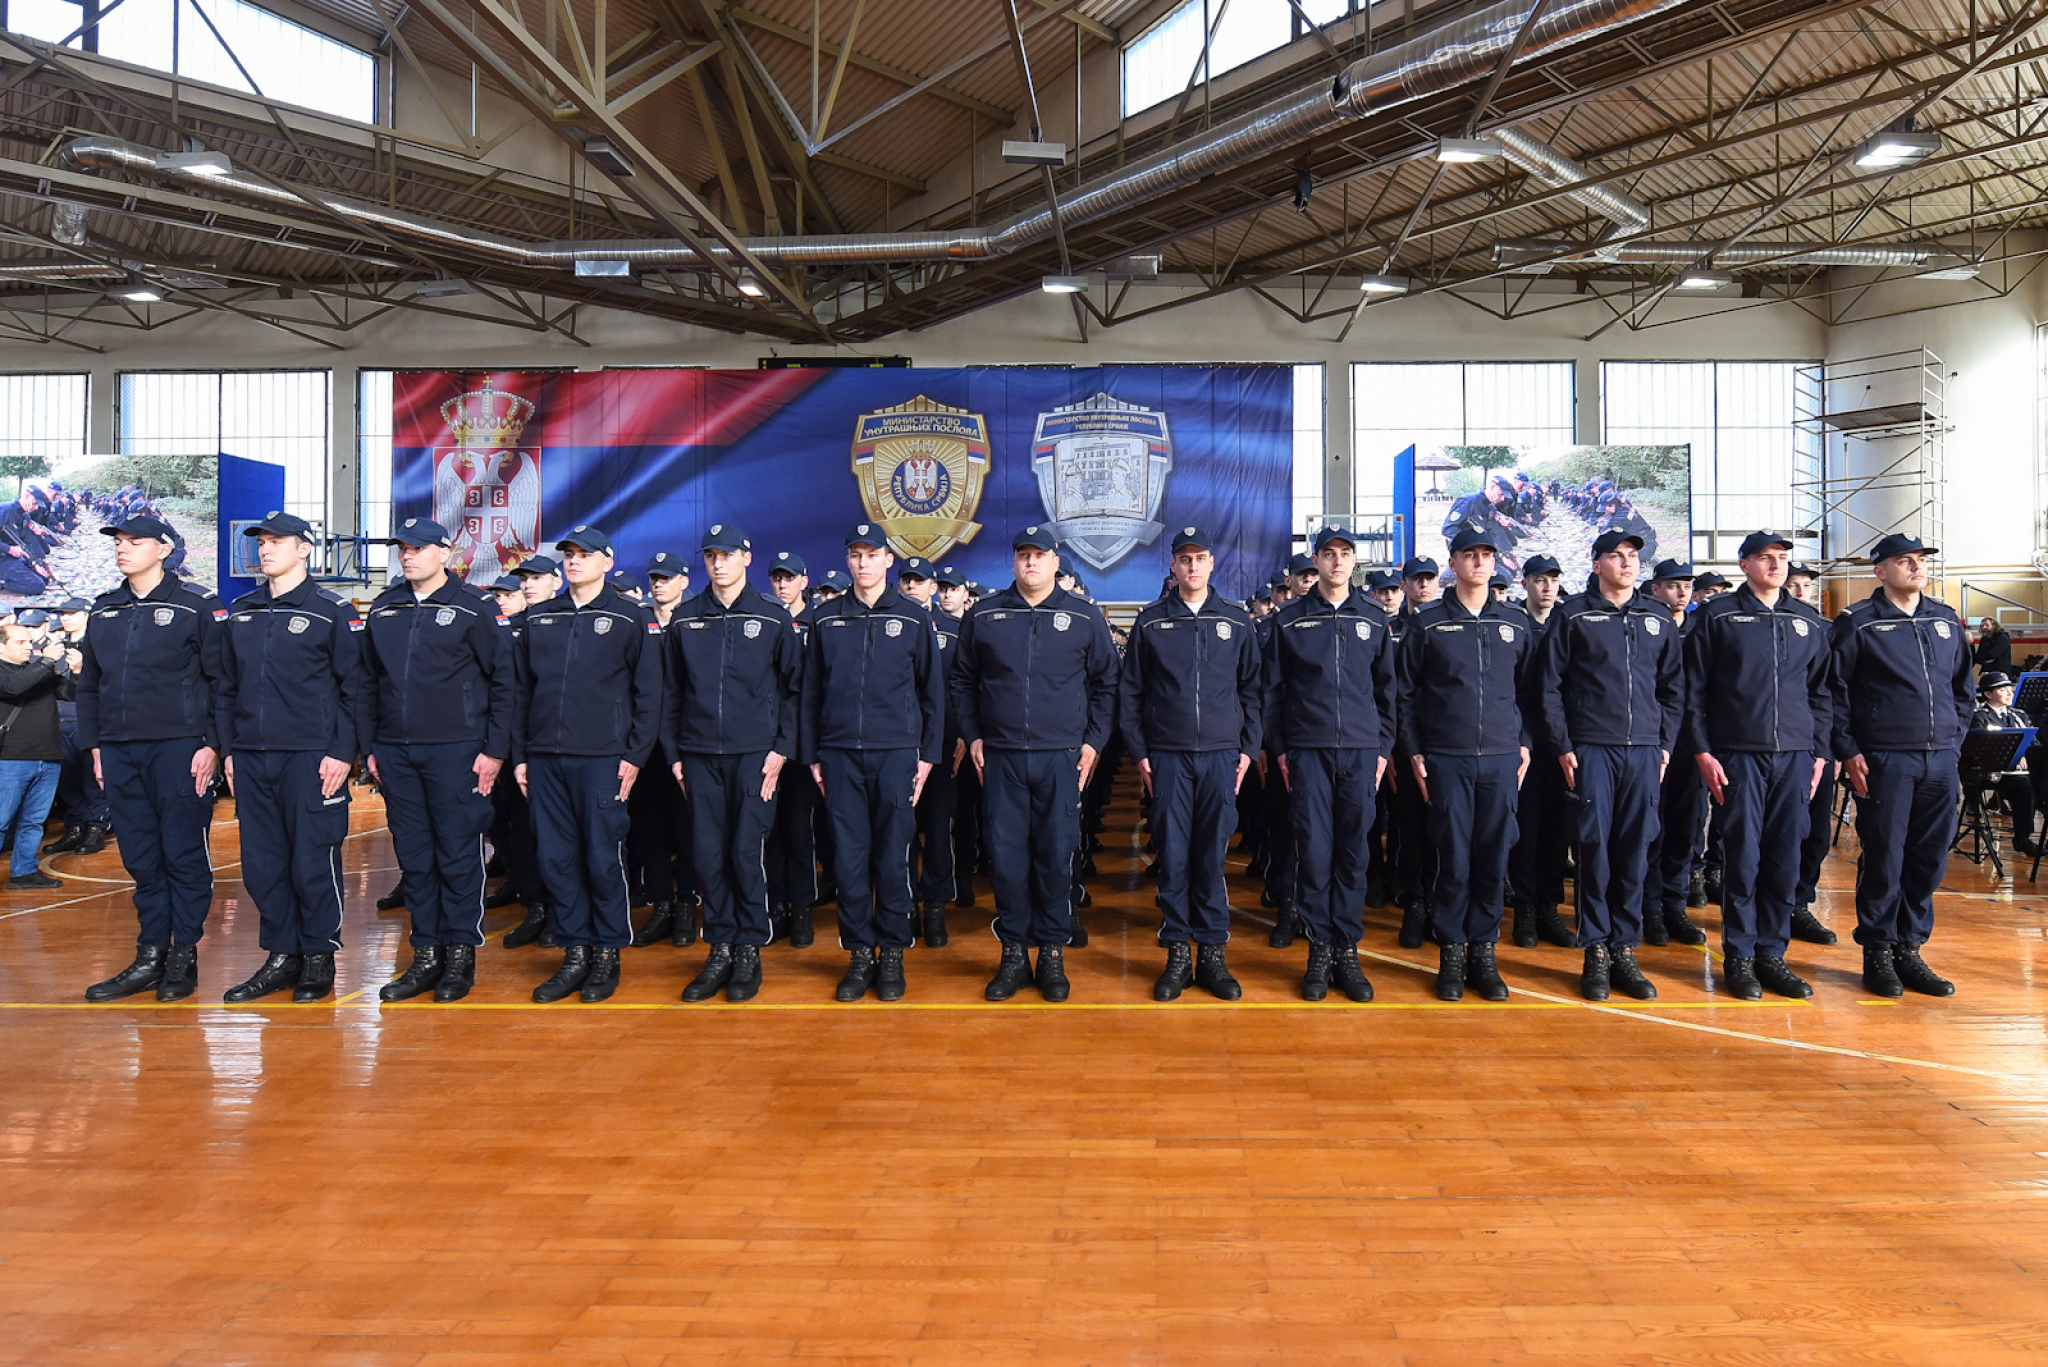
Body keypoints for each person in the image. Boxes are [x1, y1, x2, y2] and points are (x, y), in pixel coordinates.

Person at [951, 525, 1120, 1003]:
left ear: (1055, 561)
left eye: (1039, 555)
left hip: (1061, 758)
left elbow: (1109, 685)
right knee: (1005, 860)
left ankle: (1050, 951)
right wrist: (974, 735)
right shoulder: (985, 615)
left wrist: (1093, 743)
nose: (1030, 563)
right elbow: (962, 682)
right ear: (1014, 563)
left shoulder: (1084, 617)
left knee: (1054, 857)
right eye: (1023, 555)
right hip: (1001, 758)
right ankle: (1011, 953)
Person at [360, 518, 516, 1005]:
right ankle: (425, 952)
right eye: (402, 549)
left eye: (419, 548)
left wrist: (493, 750)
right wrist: (372, 748)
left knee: (457, 855)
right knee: (416, 858)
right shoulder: (384, 608)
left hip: (458, 753)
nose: (408, 556)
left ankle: (459, 955)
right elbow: (367, 683)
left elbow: (505, 682)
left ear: (444, 553)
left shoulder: (473, 609)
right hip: (396, 753)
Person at [215, 511, 366, 1004]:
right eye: (261, 542)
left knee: (312, 859)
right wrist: (229, 751)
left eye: (277, 541)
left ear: (305, 548)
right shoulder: (242, 611)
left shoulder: (331, 611)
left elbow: (356, 689)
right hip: (253, 758)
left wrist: (343, 752)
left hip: (310, 758)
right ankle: (282, 954)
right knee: (262, 863)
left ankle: (318, 955)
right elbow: (225, 687)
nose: (265, 549)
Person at [511, 525, 664, 1004]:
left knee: (601, 857)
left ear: (608, 561)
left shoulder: (628, 618)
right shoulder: (540, 618)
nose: (574, 561)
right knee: (556, 860)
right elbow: (520, 693)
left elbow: (649, 693)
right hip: (545, 760)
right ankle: (574, 951)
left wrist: (634, 755)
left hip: (602, 759)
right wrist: (521, 757)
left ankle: (606, 953)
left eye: (584, 554)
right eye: (569, 555)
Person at [77, 516, 227, 1003]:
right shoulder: (104, 610)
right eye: (119, 543)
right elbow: (89, 686)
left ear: (163, 549)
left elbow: (222, 680)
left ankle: (183, 953)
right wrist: (96, 745)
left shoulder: (196, 606)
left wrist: (212, 743)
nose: (123, 549)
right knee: (141, 857)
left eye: (134, 542)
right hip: (120, 751)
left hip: (180, 748)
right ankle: (150, 953)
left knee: (182, 853)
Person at [1532, 527, 1683, 1001]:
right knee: (1595, 850)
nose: (1627, 564)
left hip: (1643, 752)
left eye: (1633, 556)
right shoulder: (1573, 615)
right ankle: (1595, 949)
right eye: (1616, 556)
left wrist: (1664, 744)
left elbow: (1673, 689)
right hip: (1592, 749)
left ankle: (1624, 947)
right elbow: (1549, 687)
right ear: (1596, 564)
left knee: (1634, 849)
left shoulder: (1657, 617)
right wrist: (1562, 745)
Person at [1684, 531, 1834, 1000]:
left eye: (1783, 558)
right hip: (1738, 757)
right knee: (1743, 858)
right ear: (1744, 564)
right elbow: (1694, 692)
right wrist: (1703, 750)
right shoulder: (1718, 617)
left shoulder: (1807, 621)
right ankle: (1741, 956)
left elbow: (1822, 694)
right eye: (1765, 558)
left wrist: (1819, 752)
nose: (1776, 566)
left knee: (1784, 859)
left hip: (1794, 757)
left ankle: (1773, 954)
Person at [803, 524, 944, 1002]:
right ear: (848, 561)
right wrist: (813, 755)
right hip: (839, 756)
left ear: (889, 561)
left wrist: (926, 757)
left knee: (892, 857)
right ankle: (859, 953)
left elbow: (932, 695)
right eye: (856, 554)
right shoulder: (825, 619)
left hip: (896, 755)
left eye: (872, 554)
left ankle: (893, 953)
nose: (863, 563)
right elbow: (811, 694)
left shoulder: (912, 618)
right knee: (849, 858)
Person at [663, 524, 803, 1004]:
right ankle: (719, 946)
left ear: (747, 557)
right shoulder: (684, 619)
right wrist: (675, 755)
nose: (718, 564)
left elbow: (793, 690)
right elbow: (671, 693)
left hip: (753, 758)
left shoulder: (772, 617)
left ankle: (749, 948)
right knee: (707, 855)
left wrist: (781, 749)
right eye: (710, 556)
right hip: (699, 757)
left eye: (727, 555)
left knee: (746, 854)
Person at [1830, 533, 1974, 998]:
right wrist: (1849, 749)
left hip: (1939, 759)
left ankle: (1910, 947)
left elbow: (1962, 689)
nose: (1916, 567)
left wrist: (1953, 739)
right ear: (1880, 570)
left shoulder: (1945, 619)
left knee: (1928, 857)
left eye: (1920, 561)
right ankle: (1878, 949)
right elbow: (1836, 691)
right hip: (1885, 758)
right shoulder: (1859, 622)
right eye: (1904, 561)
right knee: (1885, 855)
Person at [1120, 528, 1261, 1001]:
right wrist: (1141, 753)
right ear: (1174, 566)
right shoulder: (1151, 623)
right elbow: (1131, 695)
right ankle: (1178, 951)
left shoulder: (1237, 622)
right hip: (1169, 757)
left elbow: (1253, 692)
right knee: (1175, 857)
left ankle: (1213, 954)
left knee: (1211, 857)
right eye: (1185, 560)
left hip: (1221, 756)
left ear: (1212, 563)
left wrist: (1246, 748)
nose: (1193, 567)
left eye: (1201, 558)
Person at [1397, 528, 1534, 1002]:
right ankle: (1452, 950)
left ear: (1495, 563)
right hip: (1447, 758)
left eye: (1485, 555)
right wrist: (1415, 749)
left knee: (1493, 858)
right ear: (1451, 564)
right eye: (1468, 555)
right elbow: (1406, 693)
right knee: (1453, 857)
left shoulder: (1515, 624)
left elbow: (1530, 692)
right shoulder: (1428, 623)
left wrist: (1525, 742)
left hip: (1500, 759)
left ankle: (1484, 951)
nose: (1478, 562)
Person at [1261, 524, 1394, 1001]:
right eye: (1328, 553)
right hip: (1308, 751)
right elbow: (1272, 693)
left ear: (1354, 562)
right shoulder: (1289, 620)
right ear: (1314, 561)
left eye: (1345, 554)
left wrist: (1382, 749)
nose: (1337, 561)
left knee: (1353, 855)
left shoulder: (1375, 620)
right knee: (1314, 853)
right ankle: (1319, 949)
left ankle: (1347, 950)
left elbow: (1387, 692)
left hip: (1360, 753)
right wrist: (1281, 750)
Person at [628, 551, 700, 948]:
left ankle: (687, 903)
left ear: (683, 582)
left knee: (687, 827)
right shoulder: (638, 619)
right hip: (644, 745)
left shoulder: (693, 620)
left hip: (686, 741)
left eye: (667, 578)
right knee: (650, 828)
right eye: (654, 578)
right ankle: (661, 905)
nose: (659, 584)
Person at [1639, 561, 1709, 948]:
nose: (1682, 592)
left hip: (1691, 745)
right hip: (1653, 742)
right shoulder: (1644, 625)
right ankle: (1650, 908)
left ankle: (1674, 904)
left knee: (1686, 827)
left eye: (1687, 585)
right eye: (1672, 585)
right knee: (1652, 828)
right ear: (1655, 590)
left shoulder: (1704, 627)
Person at [1507, 553, 1573, 949]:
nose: (1548, 587)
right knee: (1526, 829)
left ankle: (1549, 906)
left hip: (1561, 743)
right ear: (1525, 584)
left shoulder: (1568, 623)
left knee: (1559, 828)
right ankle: (1526, 908)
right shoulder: (1515, 624)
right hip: (1524, 741)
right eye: (1540, 580)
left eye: (1553, 580)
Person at [764, 551, 822, 943]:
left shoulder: (817, 622)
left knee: (800, 830)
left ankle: (801, 908)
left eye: (790, 578)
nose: (783, 584)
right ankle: (775, 905)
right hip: (765, 743)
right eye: (777, 578)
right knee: (768, 832)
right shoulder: (766, 619)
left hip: (802, 747)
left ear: (805, 581)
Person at [484, 573, 547, 927]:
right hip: (501, 741)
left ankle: (542, 902)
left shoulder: (539, 627)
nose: (505, 599)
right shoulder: (497, 628)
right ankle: (521, 886)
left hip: (535, 740)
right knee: (503, 819)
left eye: (509, 593)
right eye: (499, 594)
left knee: (536, 827)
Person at [1784, 562, 1840, 945]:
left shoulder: (1827, 631)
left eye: (1807, 585)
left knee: (1817, 834)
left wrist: (1833, 751)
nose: (1802, 591)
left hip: (1820, 747)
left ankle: (1800, 904)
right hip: (1779, 747)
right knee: (1780, 836)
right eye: (1794, 585)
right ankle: (1773, 905)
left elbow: (1833, 694)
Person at [1389, 556, 1442, 947]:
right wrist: (1395, 749)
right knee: (1411, 828)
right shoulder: (1389, 627)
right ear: (1405, 584)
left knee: (1448, 833)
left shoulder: (1445, 622)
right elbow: (1392, 694)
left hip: (1447, 745)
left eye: (1429, 579)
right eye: (1416, 580)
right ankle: (1415, 904)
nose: (1423, 585)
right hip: (1407, 745)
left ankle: (1441, 905)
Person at [0, 613, 72, 886]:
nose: (29, 646)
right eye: (20, 642)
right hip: (11, 759)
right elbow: (12, 688)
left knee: (33, 822)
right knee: (1, 821)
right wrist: (47, 661)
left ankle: (24, 872)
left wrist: (76, 671)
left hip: (49, 757)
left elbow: (70, 694)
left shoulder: (39, 670)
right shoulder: (12, 671)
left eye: (30, 642)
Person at [1973, 616, 2013, 680]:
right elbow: (1978, 657)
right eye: (1982, 625)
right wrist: (1985, 659)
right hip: (1987, 672)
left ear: (1994, 626)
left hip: (2001, 673)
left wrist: (1983, 658)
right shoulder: (1984, 639)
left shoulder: (2002, 638)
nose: (1984, 627)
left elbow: (1992, 654)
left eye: (1986, 625)